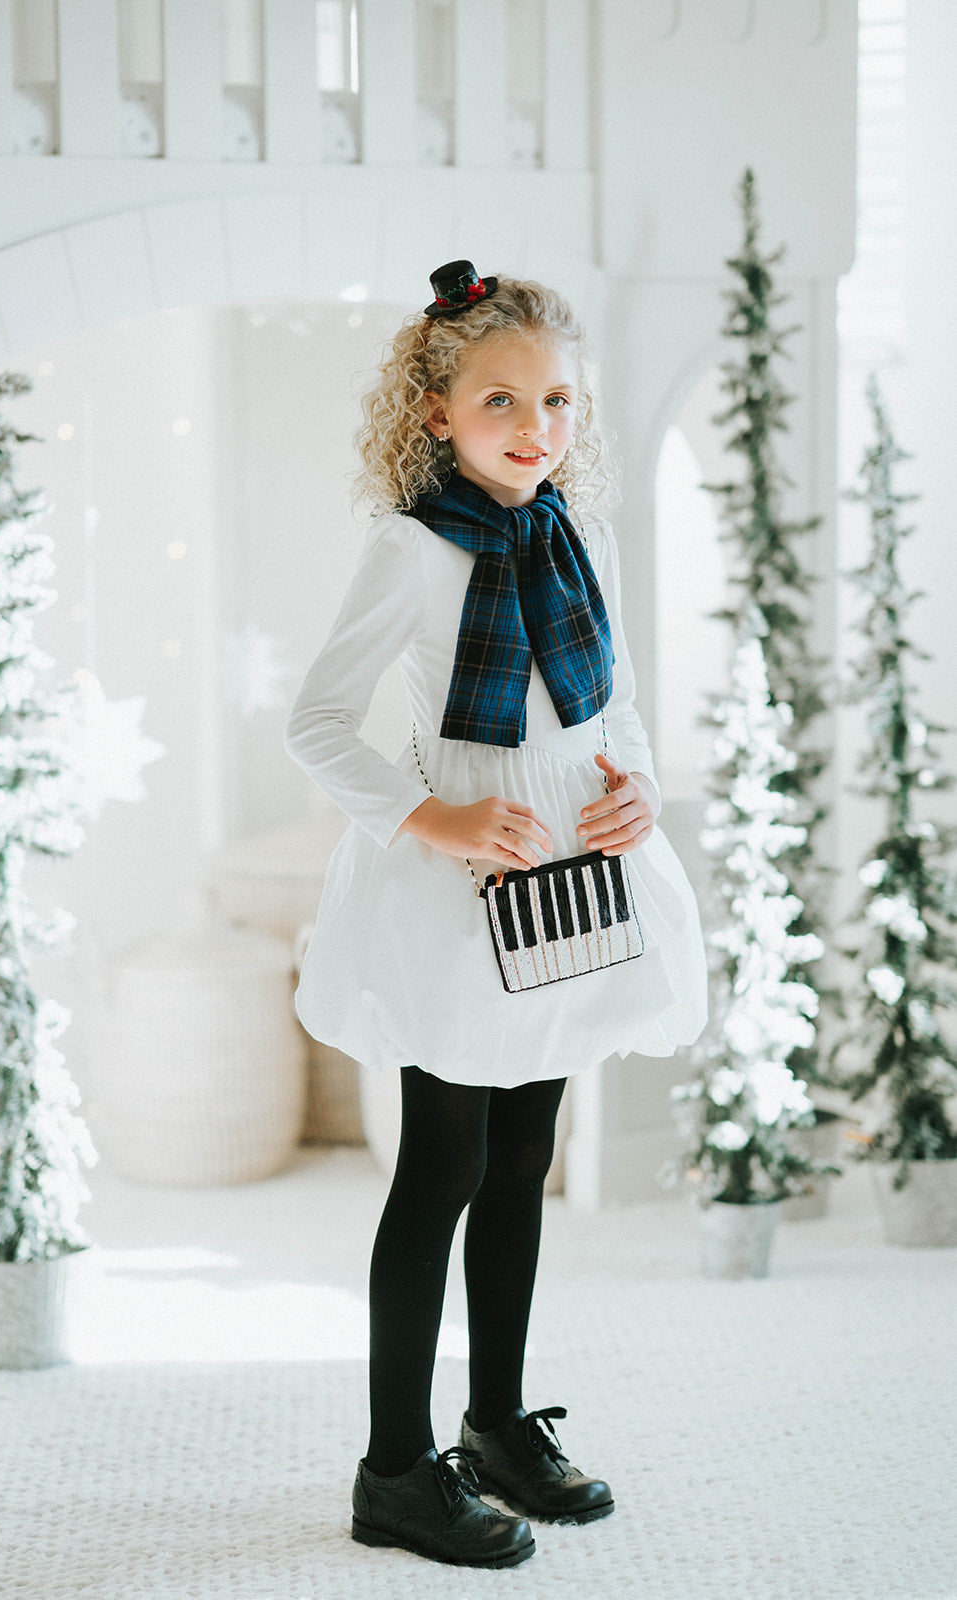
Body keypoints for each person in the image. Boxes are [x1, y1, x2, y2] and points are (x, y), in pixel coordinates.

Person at [285, 261, 707, 1569]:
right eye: (503, 400)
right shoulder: (415, 547)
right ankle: (394, 1469)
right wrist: (440, 818)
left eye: (559, 401)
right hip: (459, 889)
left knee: (525, 1155)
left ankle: (497, 1423)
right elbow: (318, 722)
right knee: (445, 1167)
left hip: (572, 874)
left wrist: (635, 788)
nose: (536, 427)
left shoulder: (581, 529)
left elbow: (612, 698)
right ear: (439, 411)